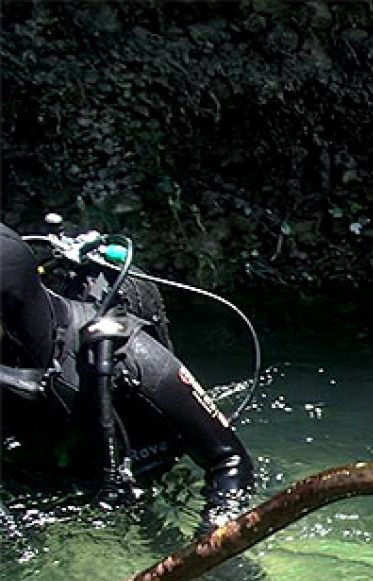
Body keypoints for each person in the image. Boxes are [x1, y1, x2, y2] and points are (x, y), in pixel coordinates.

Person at [0, 222, 256, 546]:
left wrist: (213, 542)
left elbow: (230, 461)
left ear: (10, 309)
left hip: (136, 490)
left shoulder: (128, 355)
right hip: (38, 492)